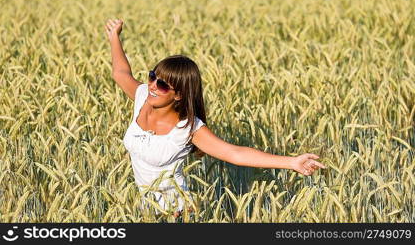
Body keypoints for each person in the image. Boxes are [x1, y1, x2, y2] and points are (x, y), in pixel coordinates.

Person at [104, 18, 326, 220]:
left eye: (162, 85)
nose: (152, 85)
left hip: (176, 215)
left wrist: (291, 162)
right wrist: (114, 36)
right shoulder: (143, 97)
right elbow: (121, 73)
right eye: (153, 76)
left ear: (179, 94)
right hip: (143, 211)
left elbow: (234, 153)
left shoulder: (187, 128)